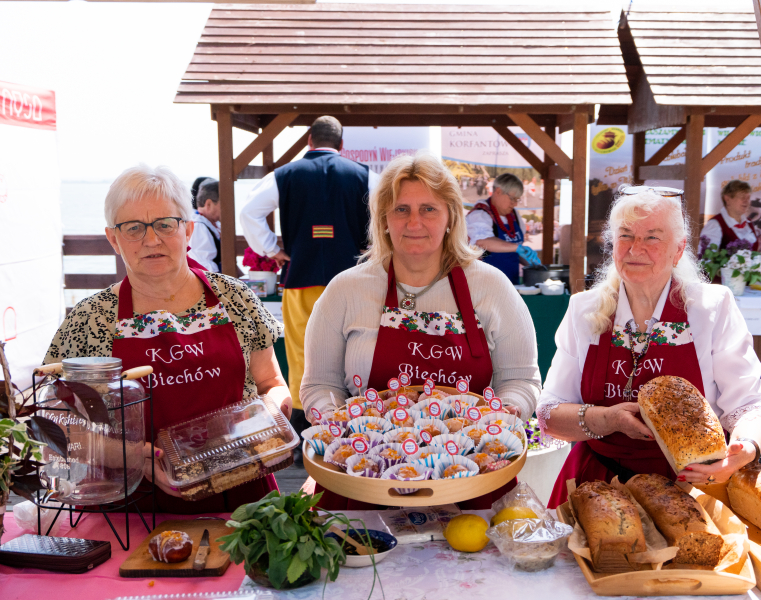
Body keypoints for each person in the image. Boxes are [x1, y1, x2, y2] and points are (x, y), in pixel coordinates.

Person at [43, 164, 290, 514]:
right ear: (113, 238)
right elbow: (56, 422)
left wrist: (271, 418)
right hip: (132, 503)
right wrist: (134, 456)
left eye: (164, 224)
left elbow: (271, 382)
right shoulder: (90, 318)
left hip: (242, 493)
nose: (151, 239)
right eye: (133, 228)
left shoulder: (236, 298)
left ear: (188, 230)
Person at [300, 153, 541, 510]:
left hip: (473, 481)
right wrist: (336, 421)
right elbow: (319, 384)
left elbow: (522, 378)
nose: (414, 222)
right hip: (364, 481)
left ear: (450, 217)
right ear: (383, 219)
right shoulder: (345, 290)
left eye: (428, 208)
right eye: (401, 210)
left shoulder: (490, 286)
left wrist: (504, 414)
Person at [537, 187, 761, 508]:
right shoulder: (584, 310)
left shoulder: (710, 308)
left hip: (691, 489)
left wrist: (745, 446)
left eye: (652, 237)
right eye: (625, 235)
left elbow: (750, 404)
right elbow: (550, 414)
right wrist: (608, 420)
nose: (636, 248)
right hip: (596, 487)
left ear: (678, 250)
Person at [240, 116, 379, 449]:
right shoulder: (364, 175)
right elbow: (389, 214)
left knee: (304, 352)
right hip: (352, 282)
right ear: (341, 144)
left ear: (309, 141)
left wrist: (273, 249)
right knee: (355, 349)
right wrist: (372, 248)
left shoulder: (284, 175)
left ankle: (308, 434)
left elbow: (248, 212)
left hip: (301, 279)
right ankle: (352, 427)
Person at [466, 172, 541, 283]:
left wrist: (531, 263)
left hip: (512, 285)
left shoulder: (514, 215)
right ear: (498, 192)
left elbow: (512, 252)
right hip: (485, 288)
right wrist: (517, 248)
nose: (515, 204)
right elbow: (482, 242)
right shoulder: (479, 214)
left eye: (517, 200)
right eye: (512, 199)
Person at [699, 180, 760, 251]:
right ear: (727, 199)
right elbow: (705, 257)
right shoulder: (715, 224)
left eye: (748, 197)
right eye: (742, 197)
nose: (746, 201)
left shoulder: (749, 223)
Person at [188, 179, 221, 272]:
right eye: (223, 204)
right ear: (209, 204)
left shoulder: (211, 223)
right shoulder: (199, 227)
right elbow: (204, 266)